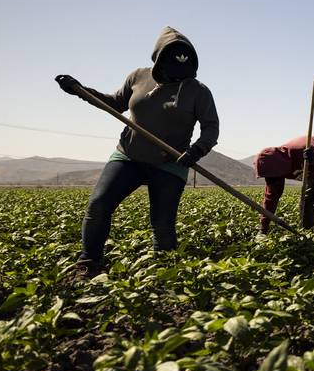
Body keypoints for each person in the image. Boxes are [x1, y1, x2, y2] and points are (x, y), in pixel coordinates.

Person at [54, 26, 219, 271]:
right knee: (99, 205)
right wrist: (82, 91)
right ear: (159, 62)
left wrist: (196, 151)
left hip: (171, 163)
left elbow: (211, 128)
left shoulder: (198, 91)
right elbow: (114, 103)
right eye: (172, 73)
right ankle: (88, 263)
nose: (177, 79)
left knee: (162, 224)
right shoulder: (138, 77)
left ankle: (164, 274)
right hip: (129, 155)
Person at [253, 135, 314, 232]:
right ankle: (307, 231)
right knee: (307, 200)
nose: (270, 179)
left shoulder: (301, 149)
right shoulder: (276, 171)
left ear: (276, 166)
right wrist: (264, 226)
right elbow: (271, 197)